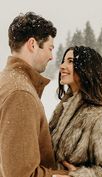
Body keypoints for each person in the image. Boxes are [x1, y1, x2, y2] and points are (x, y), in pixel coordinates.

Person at [0, 12, 69, 177]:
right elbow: (21, 174)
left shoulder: (6, 80)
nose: (52, 56)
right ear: (32, 44)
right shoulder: (20, 93)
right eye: (49, 48)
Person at [49, 46, 102, 177]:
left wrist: (80, 175)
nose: (62, 66)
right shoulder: (63, 109)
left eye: (70, 61)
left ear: (87, 69)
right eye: (63, 61)